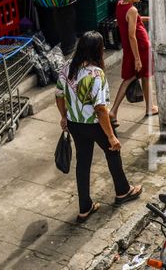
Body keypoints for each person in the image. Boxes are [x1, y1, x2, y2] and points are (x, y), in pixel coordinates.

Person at [56, 31, 142, 221]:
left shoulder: (66, 67)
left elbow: (59, 95)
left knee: (83, 163)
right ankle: (123, 191)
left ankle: (84, 208)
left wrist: (64, 117)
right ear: (98, 50)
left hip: (75, 124)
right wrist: (111, 136)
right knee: (113, 151)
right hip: (94, 124)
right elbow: (101, 109)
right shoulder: (96, 74)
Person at [110, 0, 158, 125]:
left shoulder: (120, 5)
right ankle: (113, 111)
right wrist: (137, 58)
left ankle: (149, 107)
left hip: (131, 49)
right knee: (132, 78)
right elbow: (132, 35)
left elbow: (131, 21)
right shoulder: (132, 9)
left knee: (141, 77)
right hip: (139, 49)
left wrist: (148, 19)